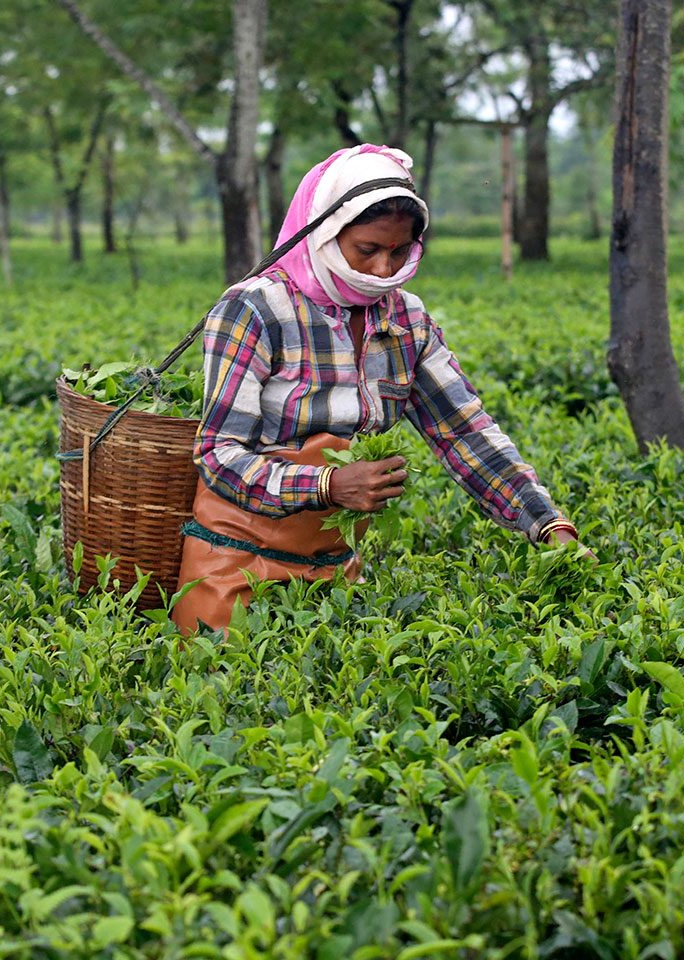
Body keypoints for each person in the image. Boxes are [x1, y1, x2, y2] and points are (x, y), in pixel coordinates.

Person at [171, 145, 582, 633]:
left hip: (334, 571)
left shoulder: (404, 318)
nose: (384, 270)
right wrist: (326, 485)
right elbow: (218, 454)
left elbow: (465, 434)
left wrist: (547, 524)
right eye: (367, 250)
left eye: (400, 251)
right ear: (324, 233)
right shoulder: (256, 310)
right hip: (234, 563)